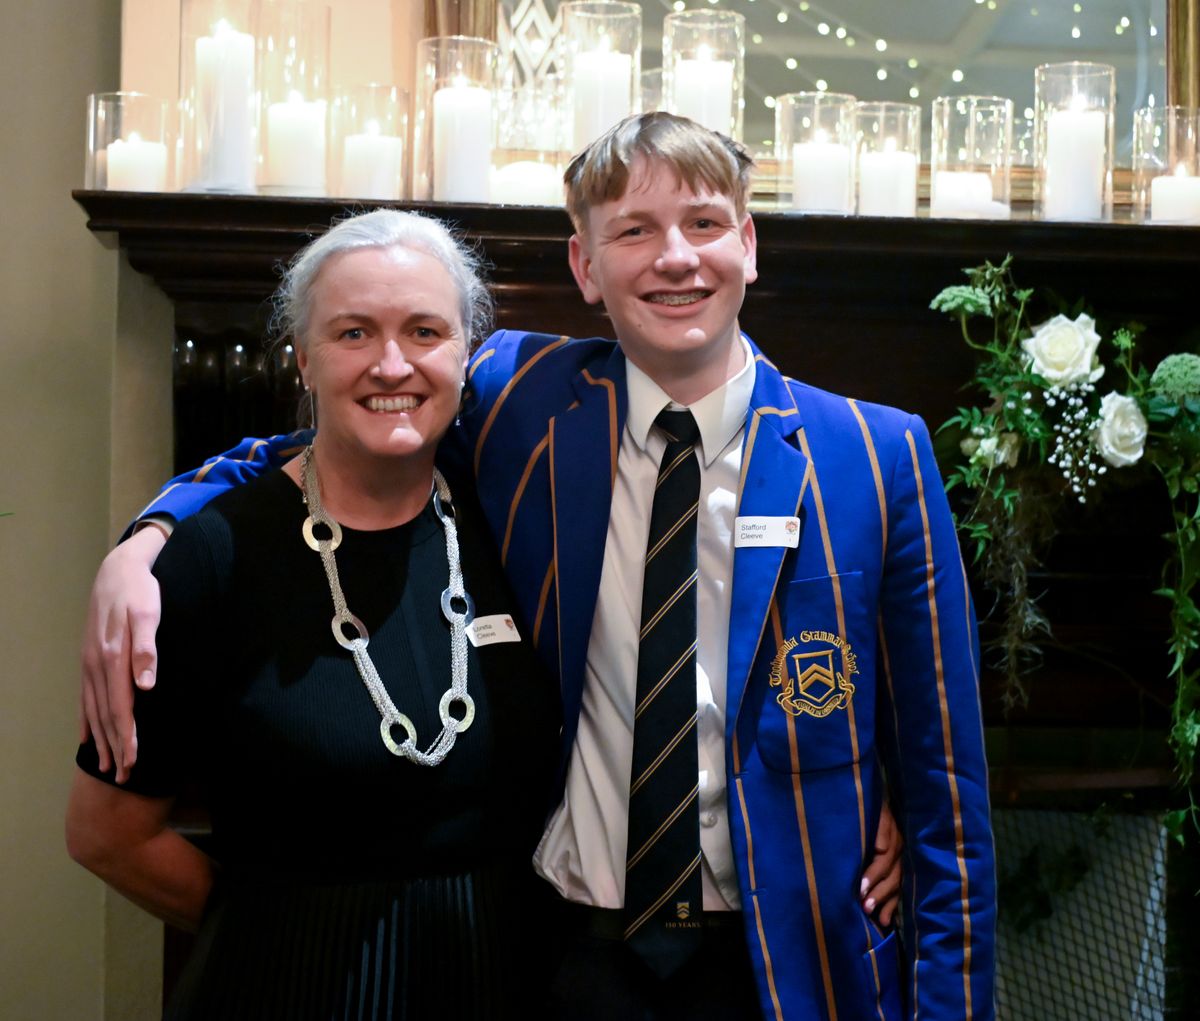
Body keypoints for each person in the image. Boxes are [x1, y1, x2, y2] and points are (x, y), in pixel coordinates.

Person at [80, 113, 988, 1020]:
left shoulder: (876, 456)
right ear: (585, 268)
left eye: (705, 223)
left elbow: (948, 800)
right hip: (566, 966)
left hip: (791, 972)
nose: (676, 257)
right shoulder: (526, 401)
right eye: (634, 231)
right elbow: (338, 435)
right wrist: (152, 535)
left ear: (748, 246)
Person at [66, 210, 561, 1020]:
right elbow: (106, 833)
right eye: (353, 332)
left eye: (425, 330)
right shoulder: (211, 556)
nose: (392, 363)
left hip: (506, 982)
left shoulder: (518, 522)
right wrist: (270, 927)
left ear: (465, 351)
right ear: (303, 356)